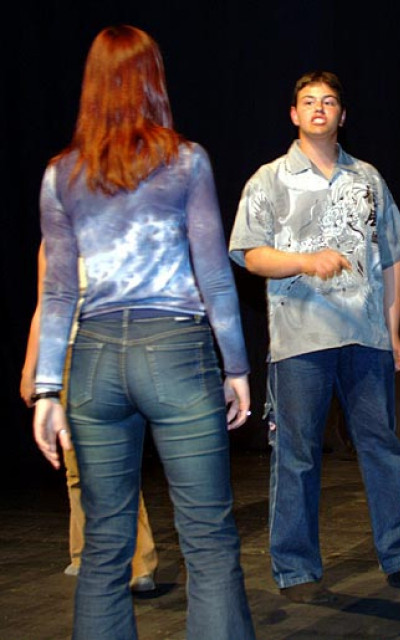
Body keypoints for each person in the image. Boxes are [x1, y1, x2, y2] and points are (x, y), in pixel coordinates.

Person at [32, 25, 255, 639]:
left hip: (94, 361)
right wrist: (237, 368)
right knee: (206, 535)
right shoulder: (186, 161)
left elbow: (58, 292)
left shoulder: (60, 175)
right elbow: (214, 276)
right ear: (154, 80)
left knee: (105, 544)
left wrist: (47, 389)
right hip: (177, 353)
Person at [229, 70, 400, 604]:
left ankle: (398, 555)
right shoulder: (270, 179)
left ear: (342, 115)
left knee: (382, 447)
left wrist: (393, 330)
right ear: (294, 114)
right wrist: (305, 261)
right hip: (300, 340)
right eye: (308, 101)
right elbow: (250, 254)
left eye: (329, 101)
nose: (318, 108)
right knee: (297, 454)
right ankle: (295, 569)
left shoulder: (368, 178)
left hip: (366, 336)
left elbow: (393, 256)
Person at [21, 244, 158, 590]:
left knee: (117, 462)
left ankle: (139, 565)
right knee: (75, 463)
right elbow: (46, 307)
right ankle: (85, 554)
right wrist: (30, 369)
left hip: (115, 351)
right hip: (69, 354)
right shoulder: (53, 240)